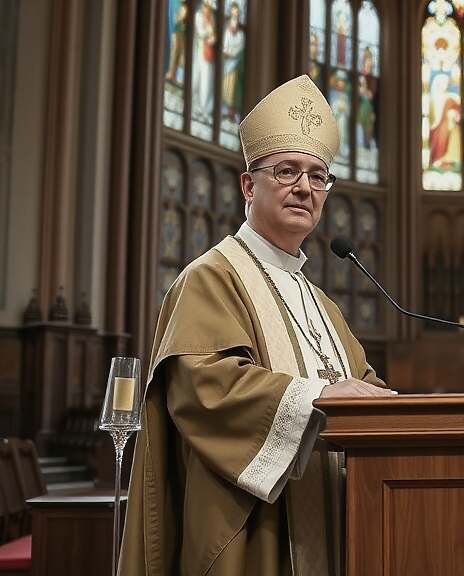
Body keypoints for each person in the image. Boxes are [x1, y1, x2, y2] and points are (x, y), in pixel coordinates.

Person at [119, 75, 394, 576]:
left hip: (336, 527)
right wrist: (318, 397)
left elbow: (366, 387)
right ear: (248, 185)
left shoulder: (322, 304)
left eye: (318, 176)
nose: (305, 187)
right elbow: (205, 390)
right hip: (256, 536)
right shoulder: (210, 278)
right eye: (287, 171)